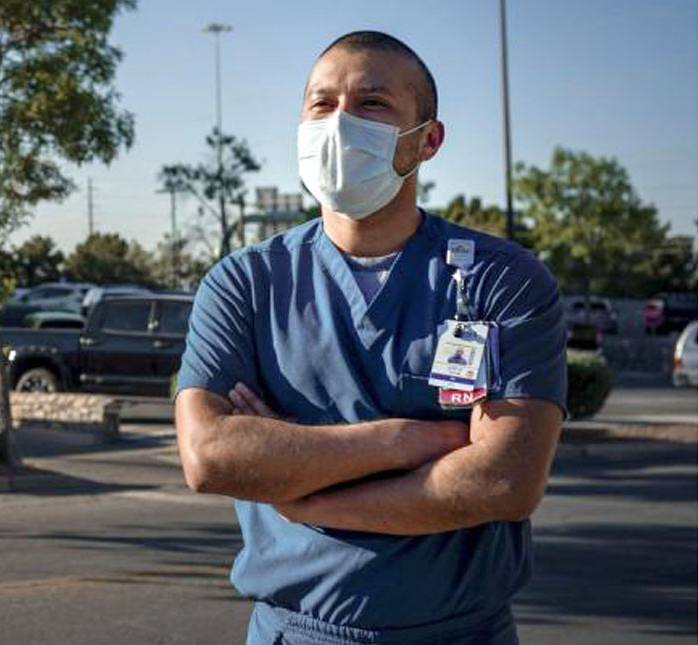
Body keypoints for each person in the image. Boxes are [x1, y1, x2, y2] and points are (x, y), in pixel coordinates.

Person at [173, 31, 566, 644]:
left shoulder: (502, 280)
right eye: (321, 104)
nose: (340, 124)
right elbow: (211, 457)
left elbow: (504, 482)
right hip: (293, 632)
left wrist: (304, 493)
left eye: (373, 105)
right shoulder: (245, 283)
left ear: (427, 139)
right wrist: (410, 439)